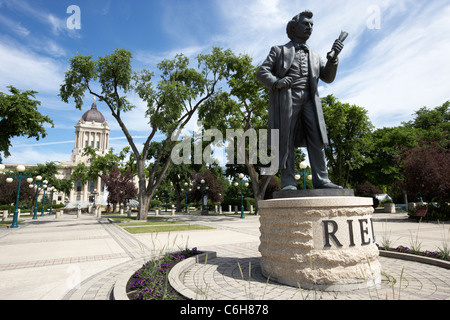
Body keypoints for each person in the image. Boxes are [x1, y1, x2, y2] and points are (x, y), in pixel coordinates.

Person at [256, 10, 344, 190]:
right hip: (287, 97)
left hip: (310, 99)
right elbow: (261, 72)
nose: (309, 28)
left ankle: (322, 179)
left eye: (311, 25)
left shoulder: (315, 55)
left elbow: (327, 77)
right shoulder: (279, 50)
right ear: (293, 27)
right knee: (285, 139)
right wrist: (277, 82)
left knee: (316, 139)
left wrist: (333, 59)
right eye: (305, 24)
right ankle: (288, 181)